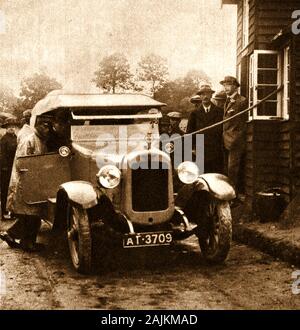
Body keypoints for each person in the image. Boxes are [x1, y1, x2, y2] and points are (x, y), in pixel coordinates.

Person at [0, 115, 52, 251]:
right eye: (45, 126)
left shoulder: (41, 140)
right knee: (31, 214)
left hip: (34, 180)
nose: (47, 129)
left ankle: (11, 234)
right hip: (26, 180)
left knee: (32, 213)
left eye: (48, 127)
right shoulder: (29, 140)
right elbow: (22, 162)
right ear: (38, 126)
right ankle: (27, 243)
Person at [220, 76, 248, 197]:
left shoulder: (241, 101)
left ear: (235, 86)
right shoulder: (227, 101)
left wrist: (235, 140)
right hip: (226, 140)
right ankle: (229, 194)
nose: (226, 88)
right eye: (224, 85)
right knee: (227, 169)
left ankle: (232, 196)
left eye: (228, 85)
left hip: (235, 141)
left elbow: (242, 124)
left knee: (233, 170)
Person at [186, 85, 223, 173]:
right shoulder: (194, 113)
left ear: (211, 95)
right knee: (201, 175)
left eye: (208, 94)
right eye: (203, 94)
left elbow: (223, 130)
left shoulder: (220, 112)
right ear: (200, 96)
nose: (205, 96)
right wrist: (192, 149)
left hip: (215, 150)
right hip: (199, 150)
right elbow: (189, 132)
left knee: (215, 176)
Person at [0, 118, 17, 220]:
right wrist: (4, 167)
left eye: (13, 126)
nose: (11, 128)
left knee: (13, 189)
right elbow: (1, 155)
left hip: (14, 167)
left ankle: (13, 211)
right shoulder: (3, 140)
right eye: (9, 126)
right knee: (5, 190)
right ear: (6, 128)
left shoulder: (15, 137)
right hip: (5, 169)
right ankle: (4, 212)